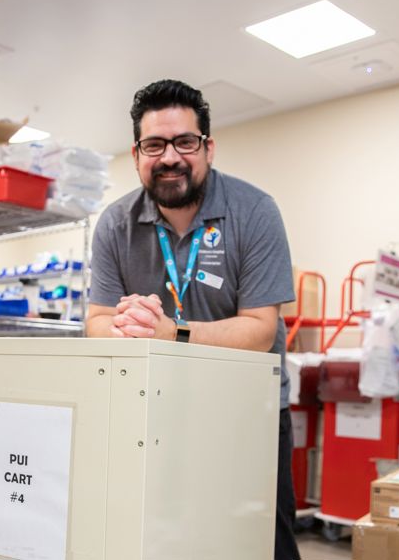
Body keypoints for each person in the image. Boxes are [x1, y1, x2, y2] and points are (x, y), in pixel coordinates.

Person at [85, 79, 300, 560]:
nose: (170, 158)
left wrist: (170, 333)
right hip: (156, 410)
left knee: (262, 541)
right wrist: (128, 325)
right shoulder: (115, 224)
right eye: (154, 145)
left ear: (208, 147)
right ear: (137, 153)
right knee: (167, 538)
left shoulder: (255, 212)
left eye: (185, 142)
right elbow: (96, 320)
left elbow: (261, 331)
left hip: (248, 413)